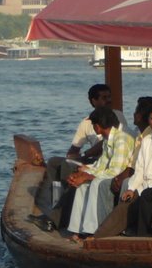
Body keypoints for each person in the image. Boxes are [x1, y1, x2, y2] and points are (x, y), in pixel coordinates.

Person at [32, 83, 131, 229]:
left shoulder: (115, 117)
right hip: (94, 161)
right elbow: (74, 148)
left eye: (109, 97)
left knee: (68, 169)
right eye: (104, 98)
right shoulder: (86, 122)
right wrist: (76, 161)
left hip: (104, 160)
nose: (108, 100)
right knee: (55, 162)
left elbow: (104, 148)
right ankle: (55, 205)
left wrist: (84, 163)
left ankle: (57, 218)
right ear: (93, 101)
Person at [99, 103, 152, 236]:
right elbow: (139, 169)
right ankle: (100, 235)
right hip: (143, 185)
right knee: (124, 203)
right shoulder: (146, 141)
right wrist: (131, 188)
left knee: (134, 204)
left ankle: (101, 236)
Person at [65, 107, 135, 240]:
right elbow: (101, 165)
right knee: (81, 185)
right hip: (109, 173)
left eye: (93, 125)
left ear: (97, 126)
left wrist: (88, 176)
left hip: (120, 177)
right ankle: (78, 230)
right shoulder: (108, 139)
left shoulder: (121, 140)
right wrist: (84, 171)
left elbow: (116, 170)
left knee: (96, 183)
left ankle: (95, 230)